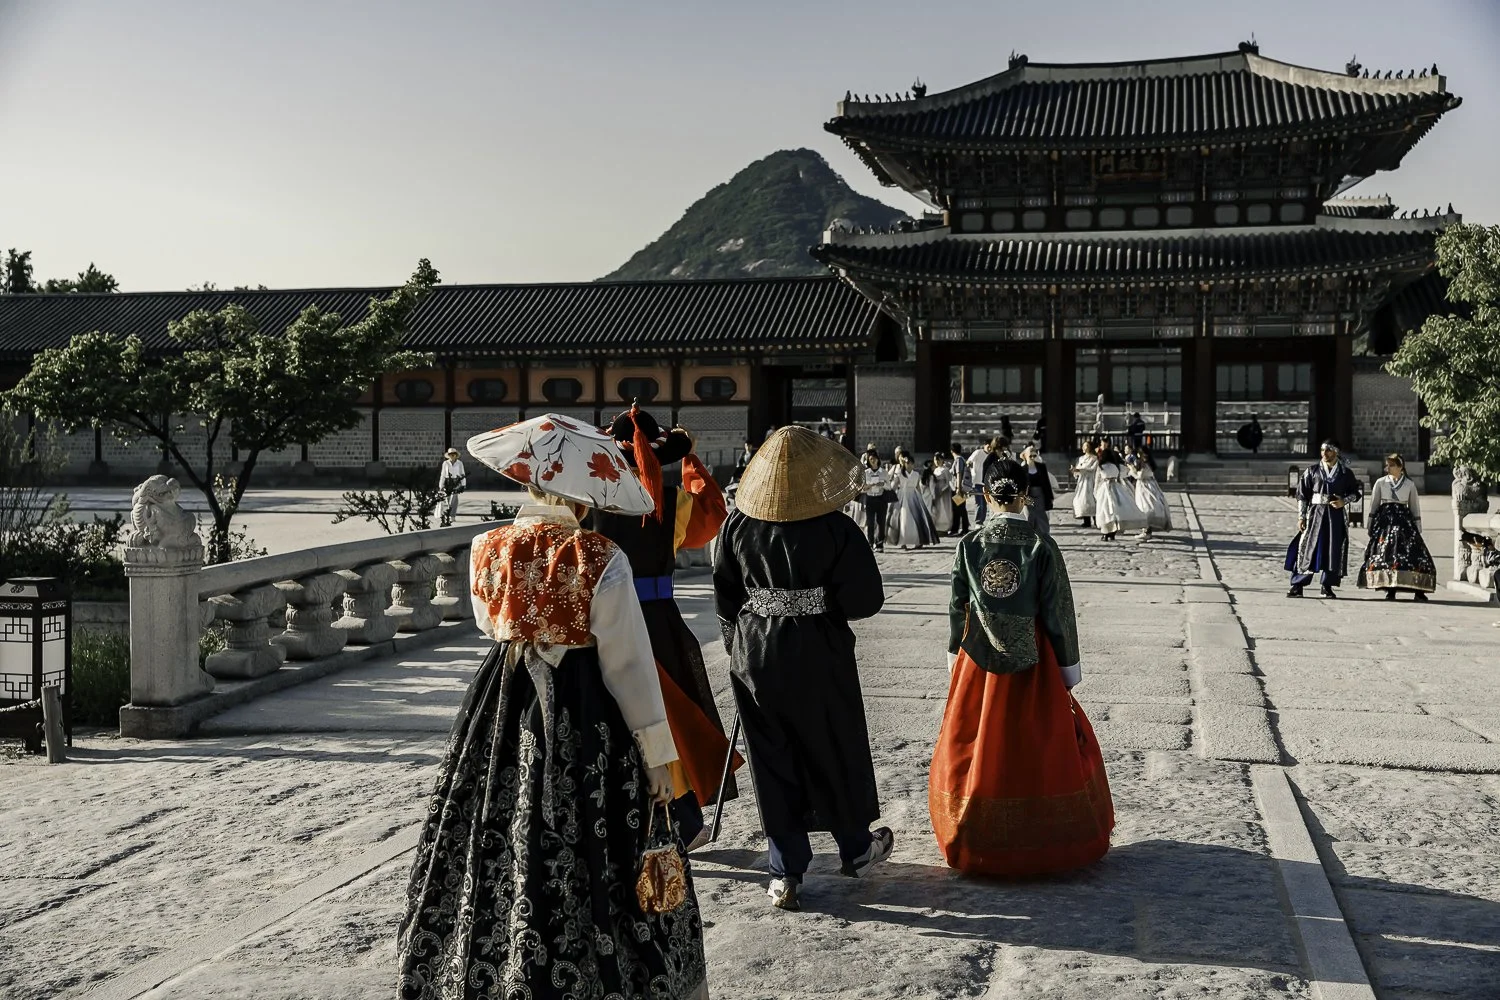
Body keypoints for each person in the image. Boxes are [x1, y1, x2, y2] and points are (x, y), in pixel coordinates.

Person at [399, 413, 708, 1000]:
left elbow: (491, 623)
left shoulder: (485, 547)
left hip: (505, 697)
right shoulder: (600, 556)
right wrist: (660, 758)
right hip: (586, 704)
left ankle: (489, 966)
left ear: (529, 479)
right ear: (585, 495)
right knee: (596, 842)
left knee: (496, 825)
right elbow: (631, 669)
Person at [714, 426, 894, 911]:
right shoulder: (836, 527)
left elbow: (726, 597)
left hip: (755, 654)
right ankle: (855, 848)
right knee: (832, 745)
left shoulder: (737, 526)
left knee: (772, 757)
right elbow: (865, 600)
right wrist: (821, 599)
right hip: (818, 651)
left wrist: (741, 642)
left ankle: (784, 870)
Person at [930, 458, 1114, 876]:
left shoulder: (969, 545)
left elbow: (957, 611)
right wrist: (1068, 669)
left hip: (978, 662)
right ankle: (1042, 837)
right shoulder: (1041, 547)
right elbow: (1059, 614)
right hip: (1034, 663)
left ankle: (976, 833)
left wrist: (954, 660)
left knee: (978, 744)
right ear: (1025, 495)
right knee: (1036, 746)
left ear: (985, 494)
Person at [587, 405, 736, 850]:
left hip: (603, 621)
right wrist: (691, 462)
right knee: (668, 720)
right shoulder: (672, 502)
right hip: (658, 620)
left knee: (611, 716)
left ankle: (627, 817)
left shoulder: (589, 501)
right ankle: (684, 820)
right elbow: (712, 514)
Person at [1286, 440, 1364, 599]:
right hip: (1315, 514)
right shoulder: (1312, 471)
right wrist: (1301, 516)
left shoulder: (1345, 473)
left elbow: (1355, 493)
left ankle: (1327, 585)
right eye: (1322, 450)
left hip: (1335, 516)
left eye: (1328, 450)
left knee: (1333, 549)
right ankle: (1298, 584)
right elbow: (1302, 495)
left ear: (1336, 452)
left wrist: (1344, 501)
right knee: (1308, 547)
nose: (1325, 454)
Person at [1358, 453, 1436, 601]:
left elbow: (1414, 507)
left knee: (1413, 554)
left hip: (1404, 522)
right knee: (1386, 554)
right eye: (1387, 465)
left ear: (1400, 467)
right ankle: (1390, 588)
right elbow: (1374, 505)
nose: (1388, 468)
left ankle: (1417, 588)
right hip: (1385, 521)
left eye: (1392, 465)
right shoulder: (1381, 483)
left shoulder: (1409, 484)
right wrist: (1370, 524)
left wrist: (1417, 527)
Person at [888, 450, 940, 550]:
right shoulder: (899, 475)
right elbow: (893, 487)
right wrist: (891, 497)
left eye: (911, 463)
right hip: (902, 496)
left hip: (913, 496)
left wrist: (921, 500)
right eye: (907, 463)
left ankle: (917, 541)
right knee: (904, 518)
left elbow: (918, 487)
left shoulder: (916, 474)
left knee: (915, 519)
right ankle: (903, 542)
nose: (909, 465)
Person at [1094, 443, 1145, 542]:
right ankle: (1112, 532)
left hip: (1105, 487)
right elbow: (1125, 472)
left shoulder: (1101, 466)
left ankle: (1105, 532)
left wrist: (1095, 491)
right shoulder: (1116, 466)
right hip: (1116, 487)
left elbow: (1097, 480)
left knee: (1104, 510)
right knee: (1115, 510)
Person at [1133, 446, 1173, 540]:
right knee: (1149, 506)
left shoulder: (1144, 464)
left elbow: (1140, 476)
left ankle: (1146, 530)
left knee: (1144, 506)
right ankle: (1147, 529)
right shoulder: (1150, 463)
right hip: (1151, 485)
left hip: (1144, 487)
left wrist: (1131, 471)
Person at [858, 450, 894, 552]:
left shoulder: (883, 472)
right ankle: (870, 543)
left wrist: (882, 484)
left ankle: (879, 544)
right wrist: (868, 486)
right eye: (870, 459)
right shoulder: (866, 473)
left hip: (881, 498)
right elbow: (861, 488)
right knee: (870, 522)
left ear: (878, 459)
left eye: (874, 459)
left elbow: (889, 487)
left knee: (881, 522)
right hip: (870, 498)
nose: (873, 461)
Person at [1019, 444, 1053, 538]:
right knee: (1029, 516)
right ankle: (1030, 536)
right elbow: (1021, 485)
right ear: (1025, 456)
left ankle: (1044, 535)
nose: (1032, 458)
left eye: (1034, 455)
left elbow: (1046, 482)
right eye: (1030, 456)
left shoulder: (1041, 467)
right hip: (1028, 495)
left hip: (1040, 494)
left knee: (1041, 515)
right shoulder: (1022, 469)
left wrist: (1049, 497)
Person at [1071, 439, 1099, 528]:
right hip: (1082, 481)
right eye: (1083, 446)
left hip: (1091, 480)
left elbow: (1092, 469)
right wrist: (1075, 471)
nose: (1084, 447)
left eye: (1086, 446)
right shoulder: (1081, 458)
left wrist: (1081, 470)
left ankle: (1096, 520)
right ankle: (1086, 520)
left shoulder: (1094, 458)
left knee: (1092, 499)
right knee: (1083, 500)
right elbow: (1078, 468)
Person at [967, 440, 994, 524]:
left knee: (985, 504)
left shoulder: (992, 455)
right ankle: (978, 522)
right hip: (977, 482)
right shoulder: (978, 452)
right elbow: (969, 461)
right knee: (980, 503)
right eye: (988, 446)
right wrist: (970, 468)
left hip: (987, 483)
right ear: (985, 445)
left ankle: (981, 522)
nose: (989, 449)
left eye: (991, 447)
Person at [437, 446, 466, 526]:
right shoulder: (445, 463)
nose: (452, 456)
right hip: (447, 481)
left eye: (454, 454)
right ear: (448, 455)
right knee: (448, 499)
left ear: (456, 455)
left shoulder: (459, 463)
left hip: (456, 481)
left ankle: (452, 515)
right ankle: (449, 514)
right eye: (450, 454)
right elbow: (443, 474)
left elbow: (462, 473)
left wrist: (463, 484)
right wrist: (441, 485)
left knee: (454, 498)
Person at [929, 452, 955, 535]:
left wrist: (942, 490)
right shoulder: (935, 470)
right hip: (936, 490)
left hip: (944, 491)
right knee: (938, 509)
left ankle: (945, 528)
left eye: (938, 459)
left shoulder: (945, 469)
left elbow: (948, 482)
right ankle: (937, 527)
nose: (936, 461)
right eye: (935, 460)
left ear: (941, 460)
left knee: (944, 508)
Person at [949, 443, 972, 535]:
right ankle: (963, 527)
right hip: (960, 487)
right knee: (960, 508)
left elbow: (959, 473)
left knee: (958, 509)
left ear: (952, 451)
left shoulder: (958, 460)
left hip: (958, 487)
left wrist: (958, 487)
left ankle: (959, 528)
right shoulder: (961, 459)